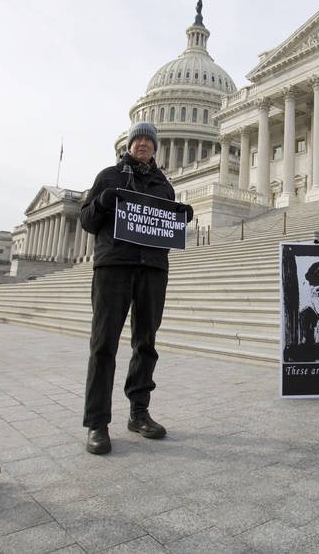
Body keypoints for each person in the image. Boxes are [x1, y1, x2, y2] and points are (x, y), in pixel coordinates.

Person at [79, 122, 192, 455]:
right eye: (138, 139)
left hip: (152, 270)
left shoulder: (164, 185)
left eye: (148, 140)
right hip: (114, 266)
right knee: (104, 345)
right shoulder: (108, 177)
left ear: (156, 147)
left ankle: (139, 413)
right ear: (128, 145)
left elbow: (165, 232)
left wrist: (180, 218)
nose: (143, 144)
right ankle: (97, 423)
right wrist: (102, 201)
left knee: (146, 343)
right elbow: (87, 220)